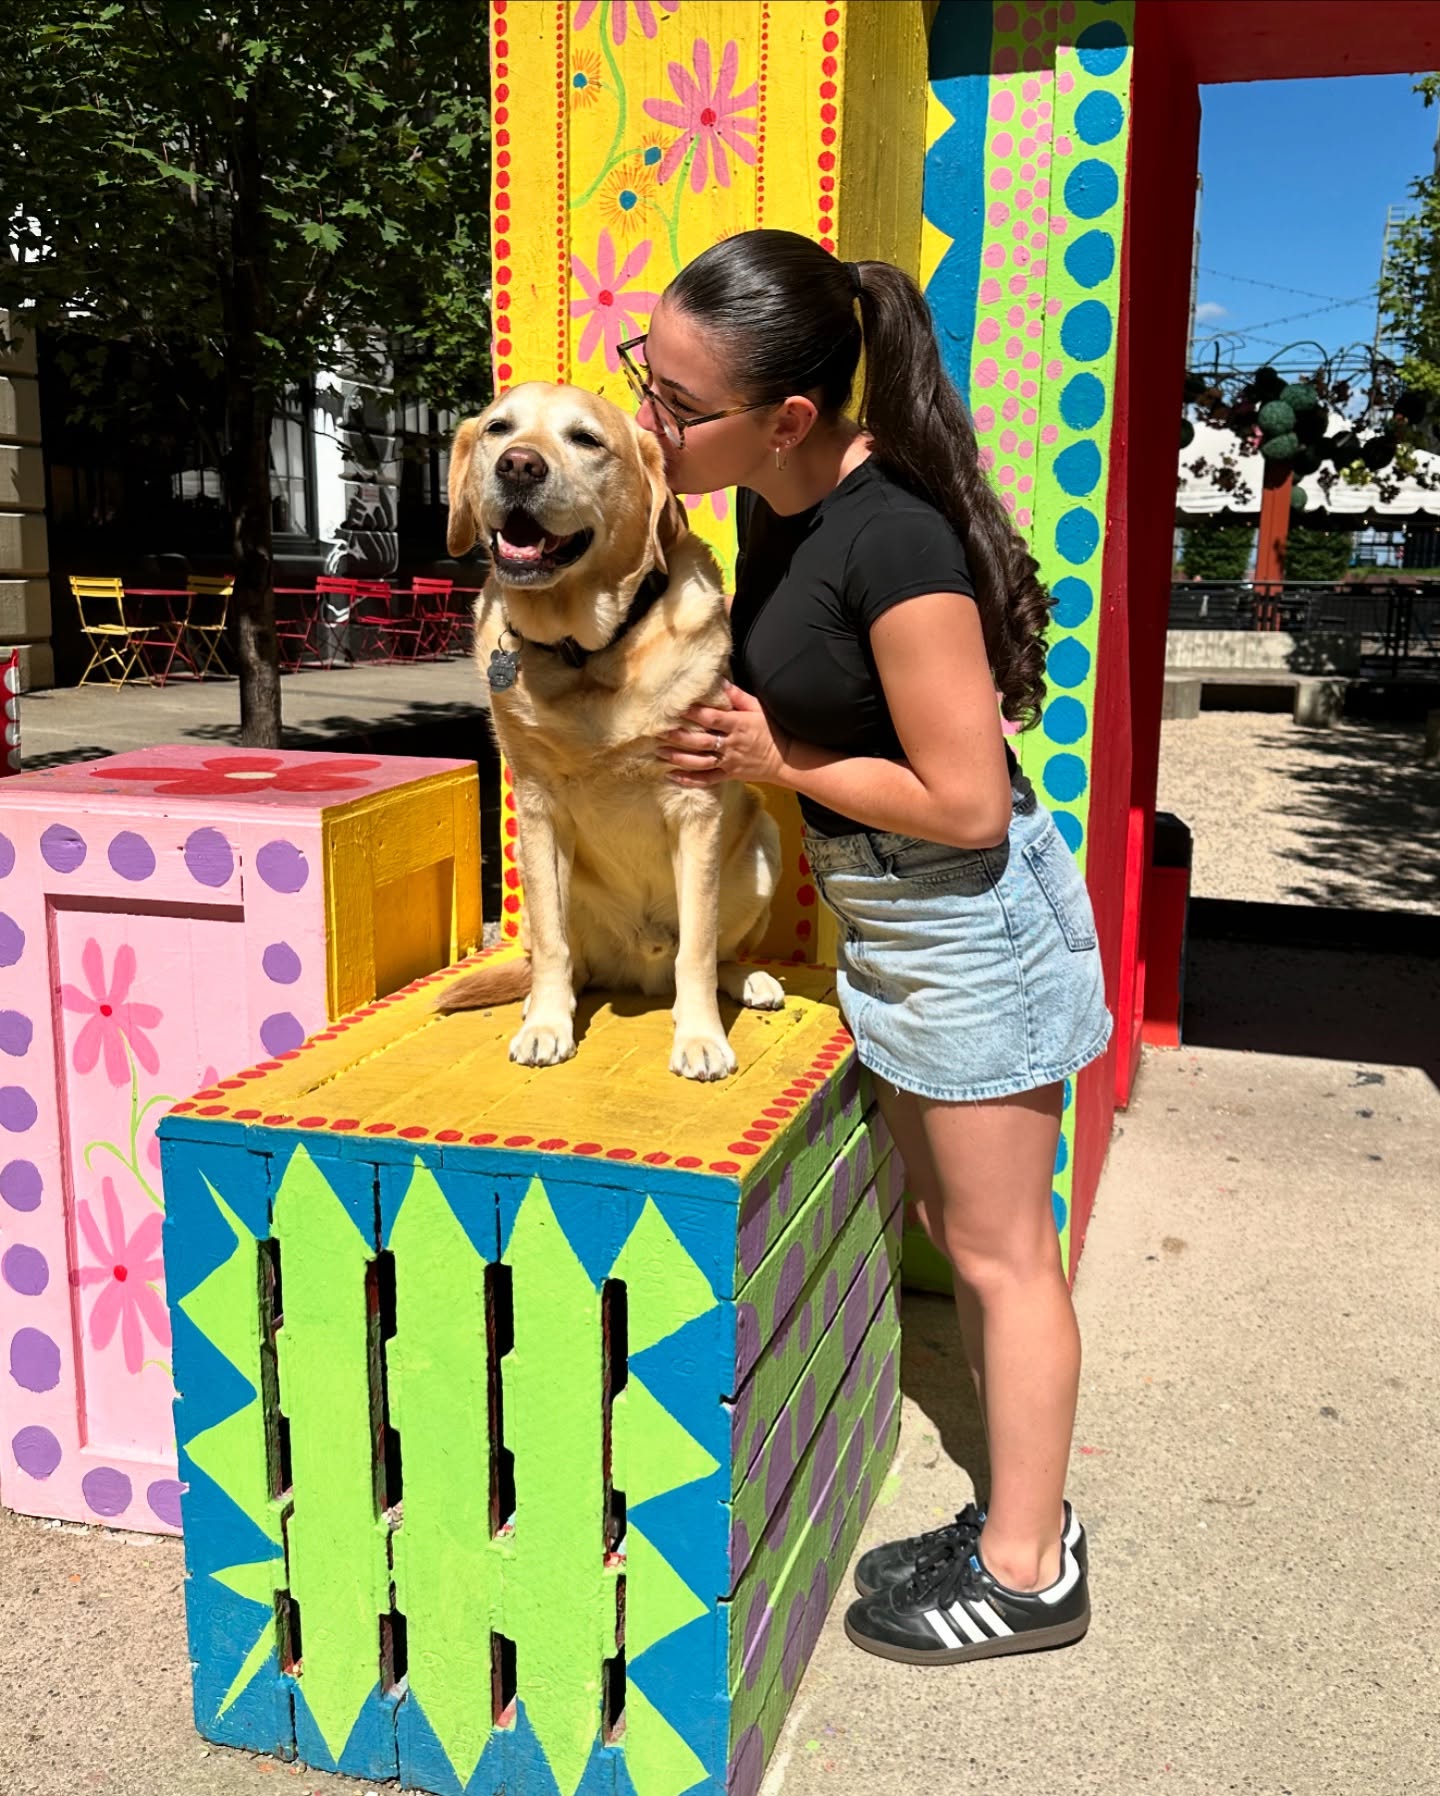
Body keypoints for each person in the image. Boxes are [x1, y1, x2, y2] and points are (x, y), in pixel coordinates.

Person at [621, 228, 1111, 1666]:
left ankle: (1030, 1571)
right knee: (961, 1237)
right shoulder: (776, 506)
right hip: (894, 922)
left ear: (784, 416)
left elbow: (967, 800)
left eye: (676, 404)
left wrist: (779, 756)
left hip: (966, 927)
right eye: (647, 379)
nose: (654, 418)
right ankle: (1014, 1521)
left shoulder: (889, 534)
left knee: (1002, 1254)